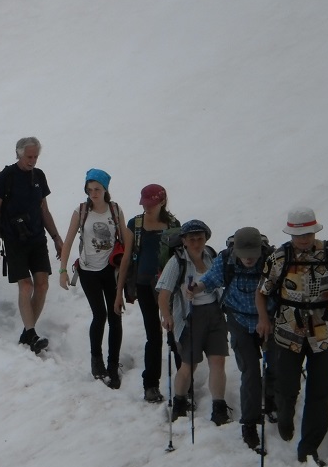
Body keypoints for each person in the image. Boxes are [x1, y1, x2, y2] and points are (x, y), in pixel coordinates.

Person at [256, 207, 328, 465]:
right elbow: (262, 291)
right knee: (286, 388)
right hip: (288, 331)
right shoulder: (279, 257)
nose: (304, 239)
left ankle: (309, 447)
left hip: (324, 330)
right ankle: (285, 418)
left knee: (320, 391)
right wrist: (264, 319)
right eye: (299, 235)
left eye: (307, 233)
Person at [188, 227, 277, 451]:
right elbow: (210, 279)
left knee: (274, 366)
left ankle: (273, 402)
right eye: (244, 252)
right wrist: (196, 288)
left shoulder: (271, 260)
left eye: (253, 253)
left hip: (268, 320)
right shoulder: (226, 260)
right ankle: (249, 422)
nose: (248, 258)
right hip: (238, 319)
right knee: (250, 371)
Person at [0, 137, 63, 354]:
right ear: (19, 154)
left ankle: (28, 333)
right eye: (29, 156)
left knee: (42, 285)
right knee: (26, 286)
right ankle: (30, 333)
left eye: (35, 156)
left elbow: (44, 210)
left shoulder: (38, 176)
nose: (32, 160)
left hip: (37, 238)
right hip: (14, 239)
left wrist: (57, 238)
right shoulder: (6, 177)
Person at [157, 219, 231, 426]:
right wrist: (167, 316)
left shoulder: (212, 257)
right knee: (189, 364)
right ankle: (179, 403)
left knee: (218, 361)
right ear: (184, 241)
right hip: (190, 316)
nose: (197, 242)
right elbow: (164, 293)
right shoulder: (177, 261)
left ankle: (219, 407)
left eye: (200, 238)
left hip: (215, 314)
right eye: (192, 239)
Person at [59, 169, 129, 388]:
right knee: (99, 314)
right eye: (89, 190)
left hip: (110, 270)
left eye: (97, 189)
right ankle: (96, 360)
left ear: (105, 189)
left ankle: (113, 364)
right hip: (89, 271)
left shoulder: (115, 210)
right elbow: (68, 241)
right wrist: (63, 270)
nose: (93, 194)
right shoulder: (81, 211)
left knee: (115, 314)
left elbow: (127, 238)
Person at [115, 184, 181, 403]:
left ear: (162, 202)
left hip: (168, 285)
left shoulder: (173, 225)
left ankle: (183, 384)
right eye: (145, 204)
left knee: (175, 333)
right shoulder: (136, 224)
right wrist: (119, 292)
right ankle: (150, 385)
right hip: (144, 285)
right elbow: (126, 259)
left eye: (151, 204)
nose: (147, 208)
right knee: (153, 334)